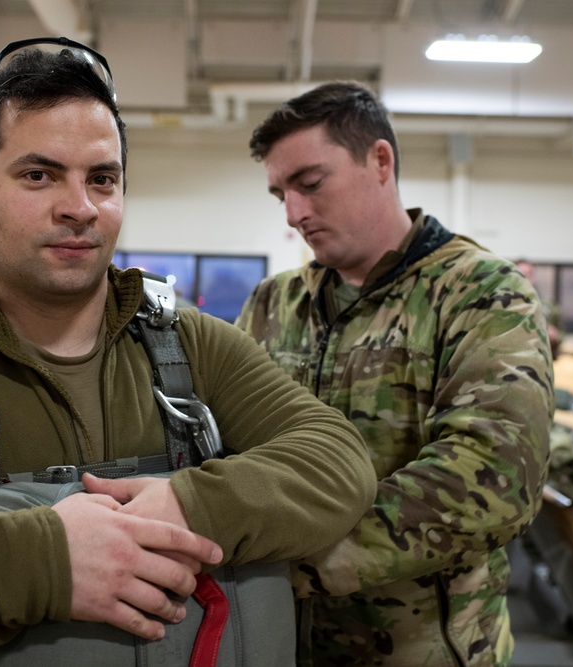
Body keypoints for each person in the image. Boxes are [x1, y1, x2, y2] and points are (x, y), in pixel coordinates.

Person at [0, 38, 378, 666]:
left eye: (102, 180)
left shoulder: (192, 347)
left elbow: (336, 462)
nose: (80, 208)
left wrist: (188, 506)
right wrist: (46, 561)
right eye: (39, 175)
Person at [235, 81, 553, 666]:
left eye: (309, 184)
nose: (294, 213)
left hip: (426, 650)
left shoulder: (481, 292)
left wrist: (285, 563)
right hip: (285, 644)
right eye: (280, 193)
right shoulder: (272, 304)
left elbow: (493, 476)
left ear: (379, 160)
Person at [515, 258, 565, 359]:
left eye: (527, 274)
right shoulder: (501, 304)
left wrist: (554, 336)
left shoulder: (548, 307)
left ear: (533, 278)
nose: (524, 278)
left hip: (539, 361)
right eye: (520, 274)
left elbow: (561, 335)